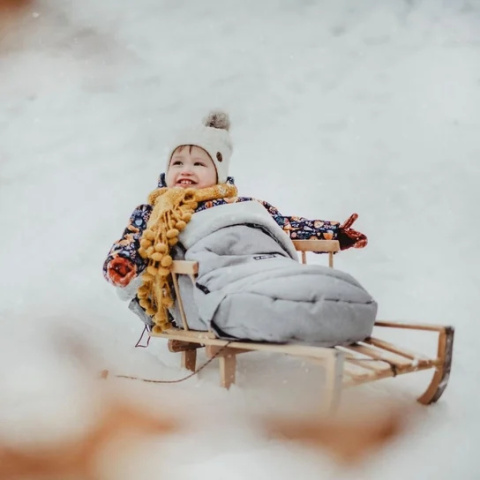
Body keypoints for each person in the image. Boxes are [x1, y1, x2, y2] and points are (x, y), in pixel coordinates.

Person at [103, 111, 376, 344]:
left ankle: (314, 299)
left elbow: (288, 227)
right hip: (211, 279)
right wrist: (123, 263)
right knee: (259, 298)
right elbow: (133, 242)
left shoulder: (245, 205)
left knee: (296, 284)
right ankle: (302, 310)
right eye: (177, 163)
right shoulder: (155, 212)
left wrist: (334, 234)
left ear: (219, 173)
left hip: (267, 264)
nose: (186, 170)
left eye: (199, 163)